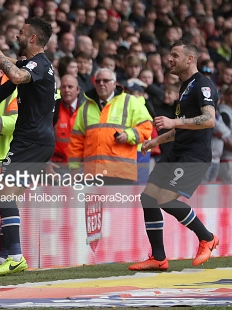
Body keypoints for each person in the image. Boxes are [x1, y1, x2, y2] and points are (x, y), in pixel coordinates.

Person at [0, 18, 56, 276]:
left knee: (6, 193)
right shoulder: (30, 63)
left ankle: (16, 256)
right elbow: (2, 67)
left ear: (32, 38)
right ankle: (3, 256)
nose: (17, 36)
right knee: (7, 195)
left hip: (32, 140)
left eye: (21, 33)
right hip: (33, 139)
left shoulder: (39, 64)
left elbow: (16, 74)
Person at [129, 40, 219, 271]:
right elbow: (183, 127)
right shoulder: (185, 86)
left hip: (193, 156)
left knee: (165, 199)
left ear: (190, 58)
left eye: (174, 55)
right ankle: (158, 257)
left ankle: (207, 237)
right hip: (176, 152)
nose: (169, 59)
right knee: (148, 198)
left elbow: (209, 119)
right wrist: (156, 141)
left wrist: (173, 121)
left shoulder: (203, 85)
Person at [68, 68, 153, 185]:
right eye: (98, 81)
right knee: (93, 204)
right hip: (92, 174)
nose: (101, 84)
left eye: (106, 80)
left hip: (120, 173)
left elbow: (146, 126)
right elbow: (77, 140)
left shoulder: (130, 102)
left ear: (114, 84)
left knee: (115, 204)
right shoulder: (86, 107)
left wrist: (128, 135)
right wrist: (74, 168)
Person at [47, 74, 82, 175]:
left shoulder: (87, 109)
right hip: (57, 168)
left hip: (82, 168)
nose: (66, 90)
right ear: (60, 89)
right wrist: (46, 163)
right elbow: (42, 137)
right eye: (63, 87)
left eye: (70, 87)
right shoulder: (53, 108)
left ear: (78, 89)